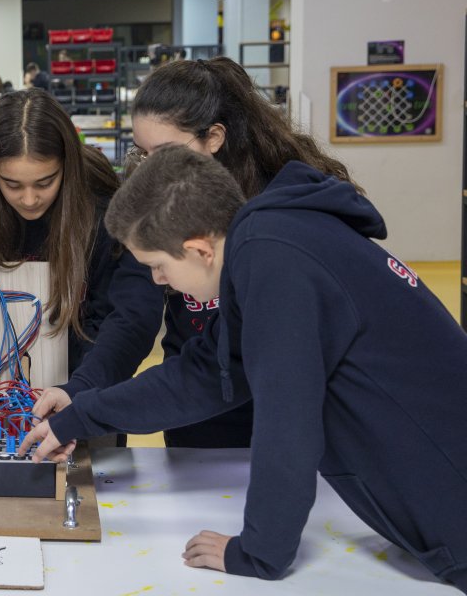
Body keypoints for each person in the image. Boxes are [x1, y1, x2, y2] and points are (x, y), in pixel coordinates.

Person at [21, 146, 467, 590]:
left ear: (198, 249)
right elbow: (203, 376)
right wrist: (77, 416)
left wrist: (258, 551)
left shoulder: (276, 265)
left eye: (158, 266)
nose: (159, 282)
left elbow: (287, 423)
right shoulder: (267, 241)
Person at [36, 57, 358, 448]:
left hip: (282, 411)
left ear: (215, 137)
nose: (152, 168)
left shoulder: (281, 228)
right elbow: (135, 314)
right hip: (198, 400)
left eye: (167, 151)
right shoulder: (160, 201)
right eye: (142, 153)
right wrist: (83, 390)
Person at [0, 89, 161, 374]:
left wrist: (78, 389)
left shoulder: (102, 205)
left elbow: (123, 318)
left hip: (81, 373)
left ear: (66, 167)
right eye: (12, 184)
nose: (30, 200)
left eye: (45, 183)